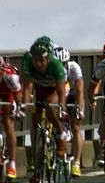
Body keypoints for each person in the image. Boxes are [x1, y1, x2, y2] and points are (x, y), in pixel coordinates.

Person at [21, 36, 69, 167]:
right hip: (40, 87)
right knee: (35, 121)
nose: (38, 64)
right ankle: (37, 160)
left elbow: (61, 91)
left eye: (41, 60)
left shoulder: (56, 64)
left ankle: (60, 135)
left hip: (54, 89)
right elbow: (27, 87)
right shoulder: (27, 60)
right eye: (35, 61)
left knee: (49, 107)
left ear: (48, 58)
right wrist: (23, 107)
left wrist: (62, 109)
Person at [53, 46, 85, 177]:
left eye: (64, 63)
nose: (61, 66)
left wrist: (79, 109)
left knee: (76, 126)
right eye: (58, 64)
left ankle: (76, 163)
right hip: (56, 91)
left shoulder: (74, 68)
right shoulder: (50, 69)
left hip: (70, 93)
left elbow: (79, 91)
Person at [0, 56, 23, 180]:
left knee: (8, 123)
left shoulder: (10, 75)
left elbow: (17, 96)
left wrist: (19, 109)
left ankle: (12, 163)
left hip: (10, 93)